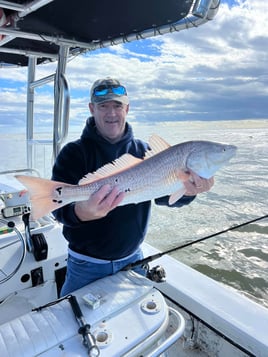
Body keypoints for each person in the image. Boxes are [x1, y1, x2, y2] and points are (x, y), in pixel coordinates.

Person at [52, 77, 214, 296]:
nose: (111, 113)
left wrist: (188, 190)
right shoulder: (73, 153)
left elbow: (163, 197)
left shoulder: (144, 151)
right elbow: (57, 208)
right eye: (103, 106)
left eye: (117, 105)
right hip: (86, 265)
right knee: (70, 321)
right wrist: (82, 212)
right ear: (92, 108)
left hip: (133, 259)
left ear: (127, 108)